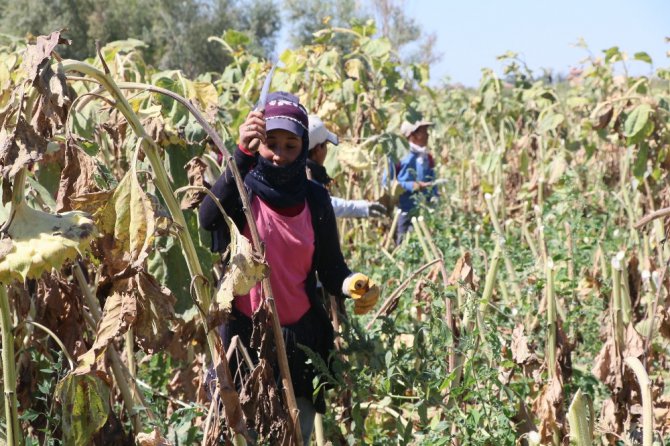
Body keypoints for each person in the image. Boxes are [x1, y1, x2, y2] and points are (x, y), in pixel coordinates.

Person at [198, 91, 379, 444]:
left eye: (290, 146)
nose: (279, 155)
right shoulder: (244, 191)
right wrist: (241, 155)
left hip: (300, 341)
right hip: (245, 338)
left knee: (296, 435)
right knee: (240, 434)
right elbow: (207, 217)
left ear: (303, 148)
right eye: (271, 144)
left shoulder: (315, 198)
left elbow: (331, 268)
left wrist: (353, 283)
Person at [307, 115, 386, 219]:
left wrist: (362, 208)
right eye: (326, 145)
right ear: (318, 149)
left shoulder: (299, 172)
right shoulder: (307, 179)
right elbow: (325, 205)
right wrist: (360, 208)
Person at [393, 119, 438, 245]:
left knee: (424, 245)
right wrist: (413, 185)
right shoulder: (398, 156)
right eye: (423, 132)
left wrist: (434, 197)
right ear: (412, 135)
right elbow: (388, 183)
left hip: (424, 210)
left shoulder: (427, 156)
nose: (427, 135)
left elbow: (432, 180)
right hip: (404, 209)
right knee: (403, 245)